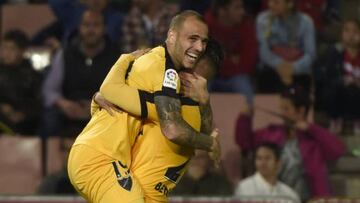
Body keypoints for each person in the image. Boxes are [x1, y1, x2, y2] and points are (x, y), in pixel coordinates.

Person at [67, 11, 220, 203]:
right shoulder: (160, 75)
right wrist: (210, 142)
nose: (198, 48)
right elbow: (174, 129)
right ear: (172, 35)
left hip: (128, 176)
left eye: (202, 43)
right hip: (101, 160)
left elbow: (110, 93)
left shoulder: (178, 103)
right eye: (193, 39)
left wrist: (102, 94)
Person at [235, 84, 346, 201]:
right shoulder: (271, 132)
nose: (282, 112)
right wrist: (244, 118)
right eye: (281, 108)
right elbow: (244, 142)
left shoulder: (314, 139)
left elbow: (338, 150)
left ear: (301, 110)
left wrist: (311, 129)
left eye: (286, 109)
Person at [41, 10, 119, 138]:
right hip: (70, 108)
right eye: (86, 25)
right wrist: (65, 104)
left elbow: (122, 92)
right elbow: (50, 90)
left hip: (103, 109)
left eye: (96, 25)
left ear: (104, 29)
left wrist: (96, 105)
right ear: (79, 28)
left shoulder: (116, 57)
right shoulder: (65, 54)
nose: (90, 30)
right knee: (49, 119)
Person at [256, 0, 316, 93]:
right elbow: (263, 52)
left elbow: (310, 54)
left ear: (290, 4)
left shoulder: (306, 22)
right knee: (266, 75)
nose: (270, 5)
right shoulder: (262, 20)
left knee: (304, 77)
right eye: (270, 1)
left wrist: (293, 68)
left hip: (298, 70)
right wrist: (280, 66)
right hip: (272, 69)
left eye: (276, 2)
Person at [205, 0, 257, 104]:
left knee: (246, 92)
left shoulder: (247, 25)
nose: (242, 12)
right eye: (237, 8)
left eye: (242, 7)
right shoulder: (205, 25)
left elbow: (248, 62)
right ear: (222, 11)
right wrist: (231, 60)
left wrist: (220, 60)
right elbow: (203, 61)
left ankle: (248, 118)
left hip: (237, 76)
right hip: (210, 75)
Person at [315, 19, 360, 134]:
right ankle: (335, 119)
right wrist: (342, 80)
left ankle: (357, 120)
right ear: (341, 34)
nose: (351, 35)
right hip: (340, 90)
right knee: (331, 89)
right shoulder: (334, 51)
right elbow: (326, 75)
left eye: (355, 32)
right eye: (347, 31)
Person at [0, 30, 42, 134]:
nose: (7, 53)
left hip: (24, 122)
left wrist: (21, 114)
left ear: (22, 51)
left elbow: (38, 103)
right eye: (5, 48)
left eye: (12, 49)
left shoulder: (33, 76)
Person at [235, 142, 300, 203]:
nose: (263, 163)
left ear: (278, 163)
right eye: (259, 158)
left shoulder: (289, 194)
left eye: (267, 158)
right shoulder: (244, 187)